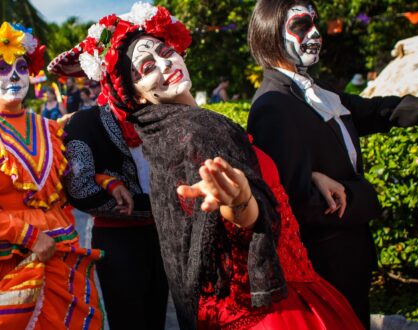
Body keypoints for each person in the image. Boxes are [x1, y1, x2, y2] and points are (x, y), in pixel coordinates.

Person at [49, 3, 363, 329]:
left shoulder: (189, 125)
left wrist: (305, 175)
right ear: (130, 91)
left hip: (230, 276)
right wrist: (240, 202)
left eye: (165, 50)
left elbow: (245, 167)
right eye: (144, 67)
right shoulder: (178, 131)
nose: (165, 62)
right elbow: (227, 208)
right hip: (246, 295)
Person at [246, 0, 418, 327]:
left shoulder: (315, 90)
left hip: (353, 259)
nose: (316, 33)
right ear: (271, 33)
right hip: (325, 270)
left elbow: (378, 111)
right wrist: (366, 197)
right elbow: (295, 204)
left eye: (316, 23)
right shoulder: (273, 106)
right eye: (301, 25)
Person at [0, 22, 103, 329]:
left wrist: (107, 183)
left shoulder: (48, 129)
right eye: (1, 67)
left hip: (57, 254)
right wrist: (29, 236)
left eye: (21, 66)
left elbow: (62, 184)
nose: (14, 75)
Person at [51, 46, 169, 328]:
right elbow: (80, 189)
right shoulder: (85, 122)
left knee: (157, 315)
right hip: (118, 240)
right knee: (128, 319)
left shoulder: (164, 114)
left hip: (165, 236)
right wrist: (111, 184)